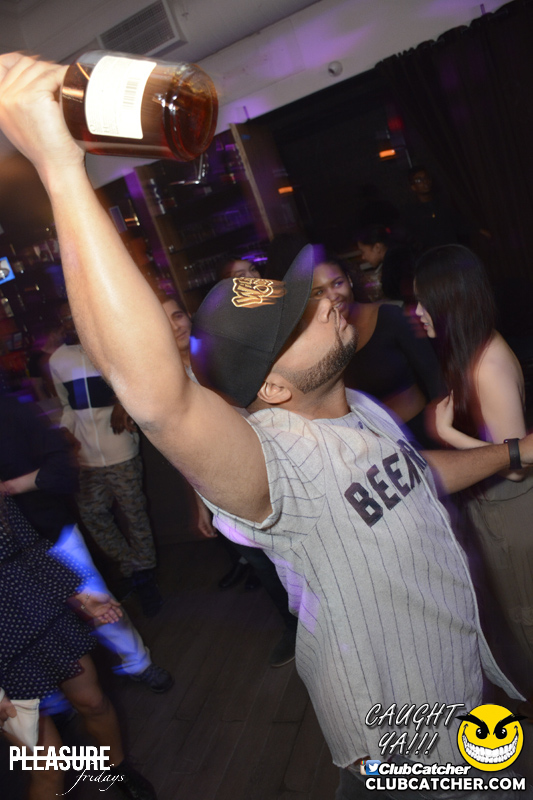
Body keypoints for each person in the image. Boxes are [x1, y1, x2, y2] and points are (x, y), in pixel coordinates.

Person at [3, 54, 533, 799]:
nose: (324, 302)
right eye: (296, 318)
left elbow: (414, 476)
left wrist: (511, 451)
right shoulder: (274, 461)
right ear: (274, 386)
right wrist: (60, 169)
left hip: (469, 694)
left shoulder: (360, 407)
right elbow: (159, 399)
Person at [414, 244, 533, 694]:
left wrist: (449, 433)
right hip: (493, 503)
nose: (417, 311)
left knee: (525, 614)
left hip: (512, 508)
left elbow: (517, 464)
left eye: (424, 301)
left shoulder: (488, 366)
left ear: (451, 300)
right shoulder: (469, 348)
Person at [0, 391, 173, 693]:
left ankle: (138, 663)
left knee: (97, 601)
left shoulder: (12, 410)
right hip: (7, 559)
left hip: (48, 531)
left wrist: (9, 487)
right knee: (31, 625)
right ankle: (52, 697)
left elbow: (61, 467)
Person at [159, 292, 298, 667]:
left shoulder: (225, 354)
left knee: (301, 548)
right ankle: (294, 628)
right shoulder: (167, 384)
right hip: (222, 486)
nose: (174, 326)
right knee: (261, 563)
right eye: (164, 321)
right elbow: (184, 452)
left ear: (189, 316)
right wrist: (199, 505)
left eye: (177, 315)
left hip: (272, 463)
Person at [0, 495, 156, 800]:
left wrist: (83, 599)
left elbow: (32, 550)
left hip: (45, 619)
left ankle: (117, 768)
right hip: (6, 656)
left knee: (93, 702)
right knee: (48, 765)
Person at [49, 303, 162, 616]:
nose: (70, 321)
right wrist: (65, 432)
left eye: (74, 314)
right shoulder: (58, 359)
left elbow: (142, 385)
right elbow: (67, 407)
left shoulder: (112, 348)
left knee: (135, 514)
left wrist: (123, 404)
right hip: (85, 457)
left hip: (120, 450)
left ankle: (145, 575)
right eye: (65, 317)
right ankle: (131, 566)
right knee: (93, 515)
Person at [308, 254, 442, 448]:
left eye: (337, 283)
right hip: (375, 448)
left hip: (422, 434)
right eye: (319, 292)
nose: (332, 295)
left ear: (349, 281)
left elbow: (434, 375)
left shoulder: (390, 317)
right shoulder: (318, 345)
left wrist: (444, 428)